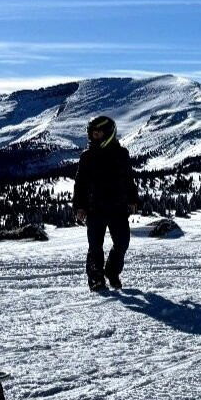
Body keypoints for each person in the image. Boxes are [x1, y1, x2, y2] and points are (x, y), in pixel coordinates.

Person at [73, 116, 139, 291]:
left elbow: (128, 179)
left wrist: (133, 199)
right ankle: (96, 280)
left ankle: (111, 271)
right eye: (92, 134)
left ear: (108, 134)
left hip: (118, 208)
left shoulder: (121, 154)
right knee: (95, 247)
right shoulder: (87, 157)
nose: (94, 137)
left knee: (123, 243)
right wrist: (79, 207)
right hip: (95, 209)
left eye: (98, 134)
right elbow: (80, 184)